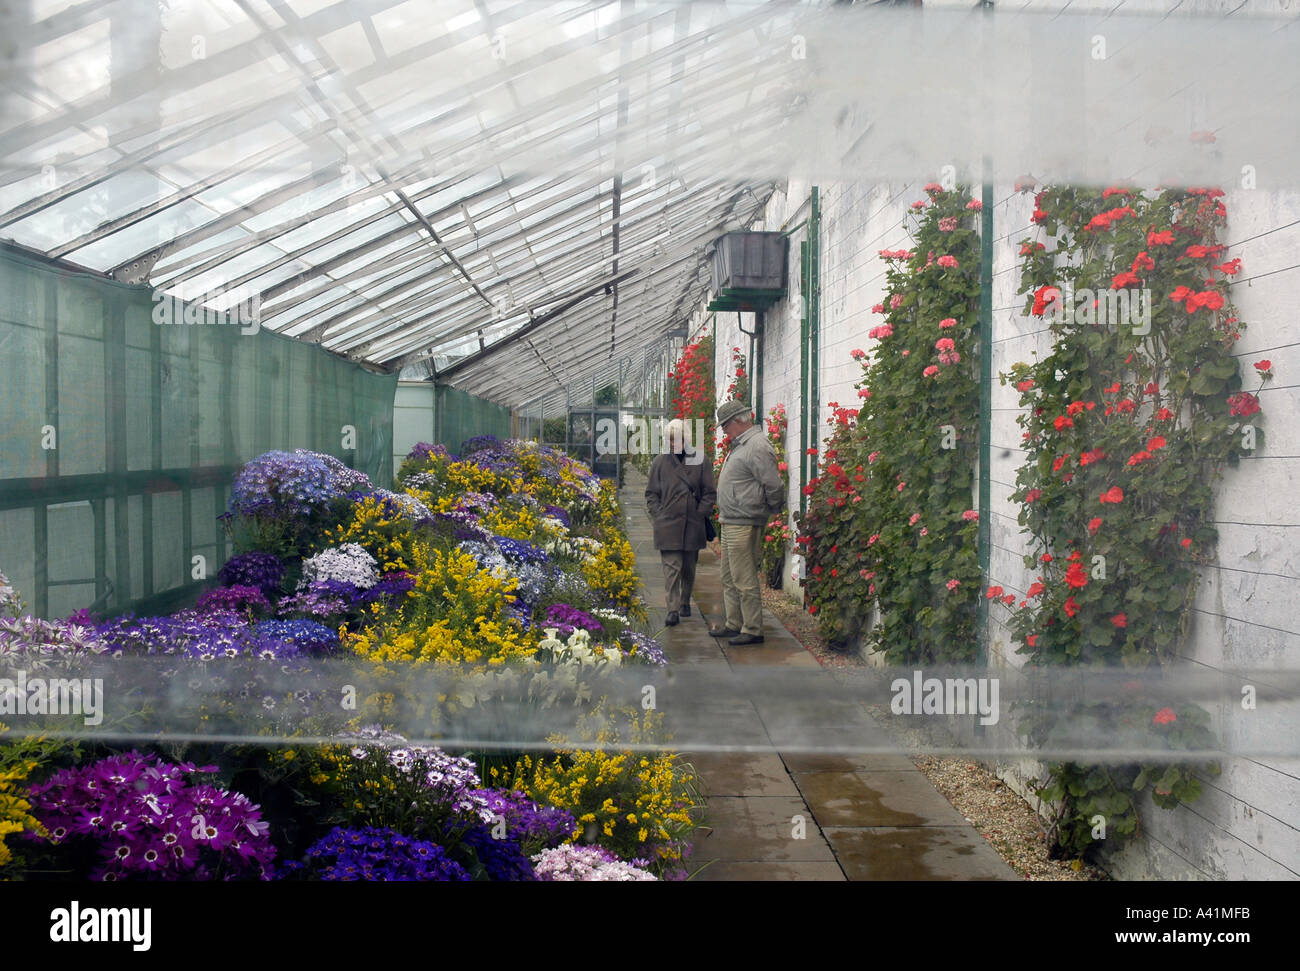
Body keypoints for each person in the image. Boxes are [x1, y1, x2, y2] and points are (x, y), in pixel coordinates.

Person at [709, 399, 785, 645]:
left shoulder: (757, 445)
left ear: (737, 422)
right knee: (729, 576)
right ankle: (734, 623)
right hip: (731, 519)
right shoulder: (742, 444)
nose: (723, 431)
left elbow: (773, 484)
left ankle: (752, 629)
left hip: (744, 521)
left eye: (725, 426)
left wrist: (770, 509)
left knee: (744, 578)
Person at [645, 418, 716, 626]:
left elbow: (710, 493)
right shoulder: (660, 462)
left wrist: (699, 512)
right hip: (667, 526)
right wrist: (658, 514)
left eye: (677, 439)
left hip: (692, 525)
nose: (673, 443)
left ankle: (685, 599)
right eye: (670, 439)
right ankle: (672, 609)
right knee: (671, 568)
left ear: (686, 439)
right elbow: (651, 493)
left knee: (688, 567)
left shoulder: (701, 461)